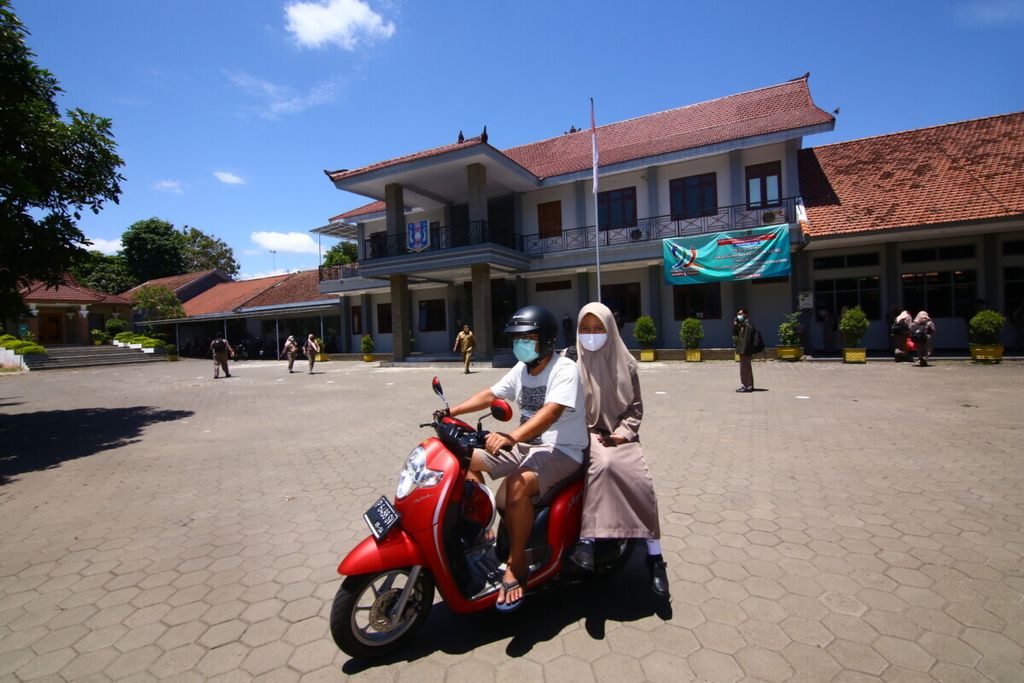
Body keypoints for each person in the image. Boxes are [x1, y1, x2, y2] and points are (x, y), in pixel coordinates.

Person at [444, 306, 588, 612]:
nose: (519, 344)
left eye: (527, 338)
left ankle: (517, 564)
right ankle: (484, 533)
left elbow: (551, 413)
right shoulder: (522, 369)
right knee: (465, 459)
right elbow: (491, 395)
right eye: (516, 339)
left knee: (516, 486)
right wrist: (452, 412)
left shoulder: (565, 370)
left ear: (546, 340)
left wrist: (512, 436)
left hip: (562, 450)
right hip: (527, 445)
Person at [569, 302, 669, 597]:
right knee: (603, 466)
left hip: (621, 434)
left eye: (598, 328)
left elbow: (635, 409)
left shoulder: (625, 364)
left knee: (641, 479)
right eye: (585, 329)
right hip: (588, 434)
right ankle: (588, 539)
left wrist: (623, 435)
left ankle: (655, 555)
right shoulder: (572, 365)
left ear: (610, 329)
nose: (591, 335)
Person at [733, 308, 756, 392]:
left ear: (746, 315)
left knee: (745, 369)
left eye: (740, 314)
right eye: (738, 314)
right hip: (743, 350)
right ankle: (748, 386)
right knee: (746, 368)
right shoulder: (742, 325)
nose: (739, 316)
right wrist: (735, 324)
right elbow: (735, 332)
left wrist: (743, 351)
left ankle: (746, 386)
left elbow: (747, 340)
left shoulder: (748, 325)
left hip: (745, 351)